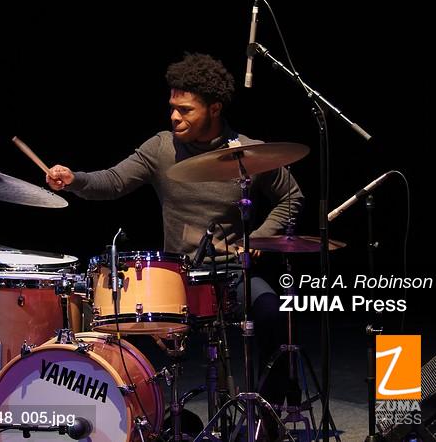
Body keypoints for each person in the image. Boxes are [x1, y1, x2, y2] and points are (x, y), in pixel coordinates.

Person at [47, 53, 304, 439]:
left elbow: (291, 196)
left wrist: (261, 237)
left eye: (185, 110)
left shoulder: (248, 152)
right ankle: (131, 419)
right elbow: (113, 181)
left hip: (231, 273)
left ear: (214, 108)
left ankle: (269, 415)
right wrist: (75, 179)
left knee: (272, 311)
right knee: (111, 320)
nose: (174, 117)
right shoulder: (161, 148)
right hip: (178, 277)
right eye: (172, 108)